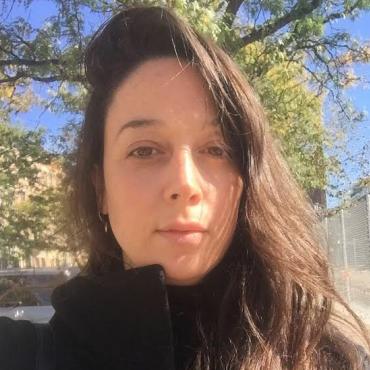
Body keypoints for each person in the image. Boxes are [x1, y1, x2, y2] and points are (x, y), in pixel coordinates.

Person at [1, 4, 369, 370]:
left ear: (247, 179)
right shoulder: (24, 355)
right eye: (144, 150)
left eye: (215, 149)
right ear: (101, 191)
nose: (185, 182)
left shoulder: (330, 358)